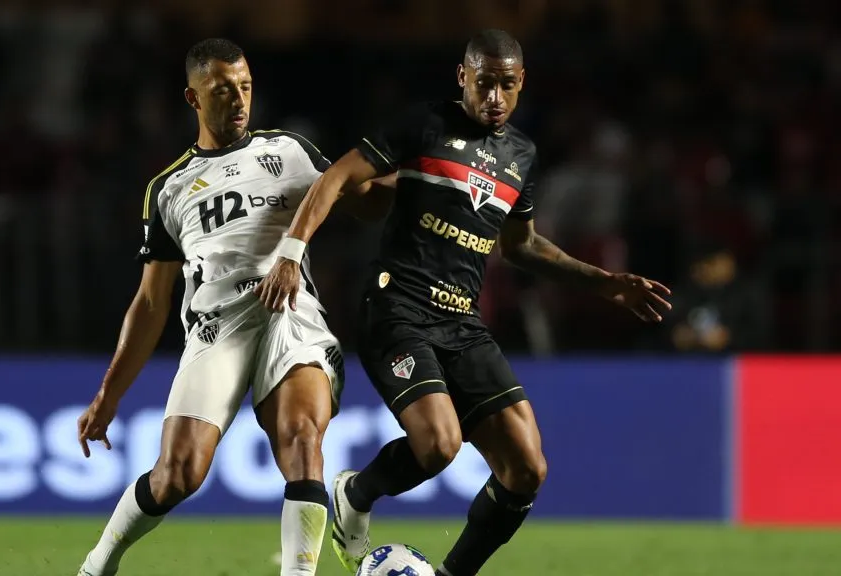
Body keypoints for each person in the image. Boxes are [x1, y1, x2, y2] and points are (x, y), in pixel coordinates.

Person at [254, 29, 673, 576]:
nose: (494, 98)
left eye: (506, 85)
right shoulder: (423, 125)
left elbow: (521, 245)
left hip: (462, 324)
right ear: (463, 78)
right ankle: (356, 492)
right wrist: (290, 251)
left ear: (521, 84)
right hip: (397, 311)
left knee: (526, 468)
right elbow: (336, 177)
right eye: (484, 84)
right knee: (438, 444)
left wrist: (602, 281)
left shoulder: (521, 155)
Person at [74, 38, 392, 576]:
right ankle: (99, 562)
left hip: (290, 316)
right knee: (178, 474)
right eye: (223, 90)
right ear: (193, 98)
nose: (239, 100)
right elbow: (151, 302)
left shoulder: (290, 151)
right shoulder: (169, 189)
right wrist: (108, 395)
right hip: (216, 329)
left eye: (245, 86)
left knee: (302, 437)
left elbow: (361, 203)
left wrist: (410, 179)